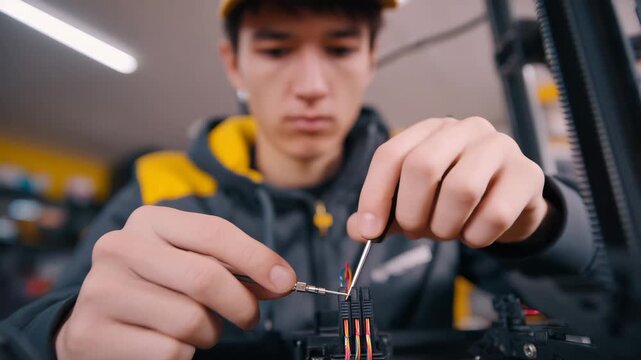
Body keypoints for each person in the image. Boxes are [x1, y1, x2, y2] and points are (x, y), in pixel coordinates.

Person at [2, 0, 604, 358]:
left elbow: (600, 303)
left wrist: (549, 221)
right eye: (277, 49)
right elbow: (30, 335)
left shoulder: (435, 182)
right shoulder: (161, 189)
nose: (311, 85)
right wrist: (59, 337)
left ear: (370, 58)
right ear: (234, 62)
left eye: (340, 49)